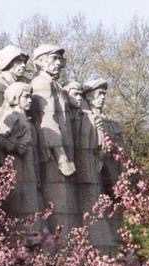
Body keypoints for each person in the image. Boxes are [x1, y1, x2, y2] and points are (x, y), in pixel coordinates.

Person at [30, 44, 80, 238]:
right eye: (53, 58)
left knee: (67, 206)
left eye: (60, 59)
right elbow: (47, 121)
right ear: (40, 62)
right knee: (59, 207)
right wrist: (61, 157)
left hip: (63, 153)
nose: (58, 63)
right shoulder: (42, 84)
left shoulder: (56, 85)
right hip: (53, 155)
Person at [80, 78, 122, 250]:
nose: (102, 97)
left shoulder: (111, 122)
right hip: (94, 170)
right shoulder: (85, 118)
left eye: (104, 94)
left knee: (115, 214)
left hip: (112, 174)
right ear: (89, 97)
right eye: (98, 94)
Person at [0, 82, 43, 222]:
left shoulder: (26, 119)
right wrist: (15, 146)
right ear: (16, 97)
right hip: (18, 167)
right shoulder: (12, 115)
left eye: (30, 97)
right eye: (26, 97)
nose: (29, 100)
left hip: (29, 168)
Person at [0, 45, 29, 110]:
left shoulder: (24, 83)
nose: (23, 65)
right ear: (8, 63)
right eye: (19, 61)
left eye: (24, 62)